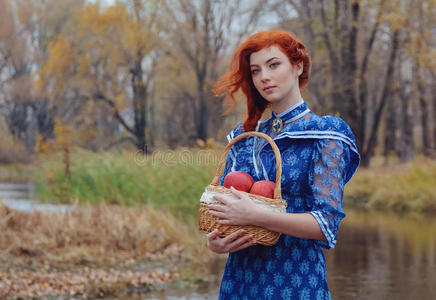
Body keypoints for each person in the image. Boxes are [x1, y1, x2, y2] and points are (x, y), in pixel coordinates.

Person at [206, 29, 360, 299]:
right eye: (255, 71)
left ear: (298, 66)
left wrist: (257, 216)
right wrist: (217, 242)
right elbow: (223, 208)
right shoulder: (243, 138)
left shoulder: (325, 134)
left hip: (298, 281)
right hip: (241, 282)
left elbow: (326, 225)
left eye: (273, 64)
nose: (264, 76)